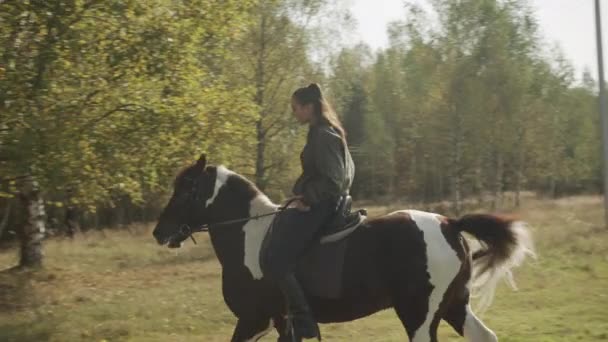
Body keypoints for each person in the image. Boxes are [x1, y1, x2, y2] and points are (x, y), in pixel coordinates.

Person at [261, 83, 355, 340]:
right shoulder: (321, 131)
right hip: (322, 202)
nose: (294, 113)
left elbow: (335, 180)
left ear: (309, 107)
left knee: (277, 259)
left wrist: (309, 199)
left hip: (324, 205)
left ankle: (303, 322)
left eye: (296, 108)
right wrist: (301, 195)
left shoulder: (323, 135)